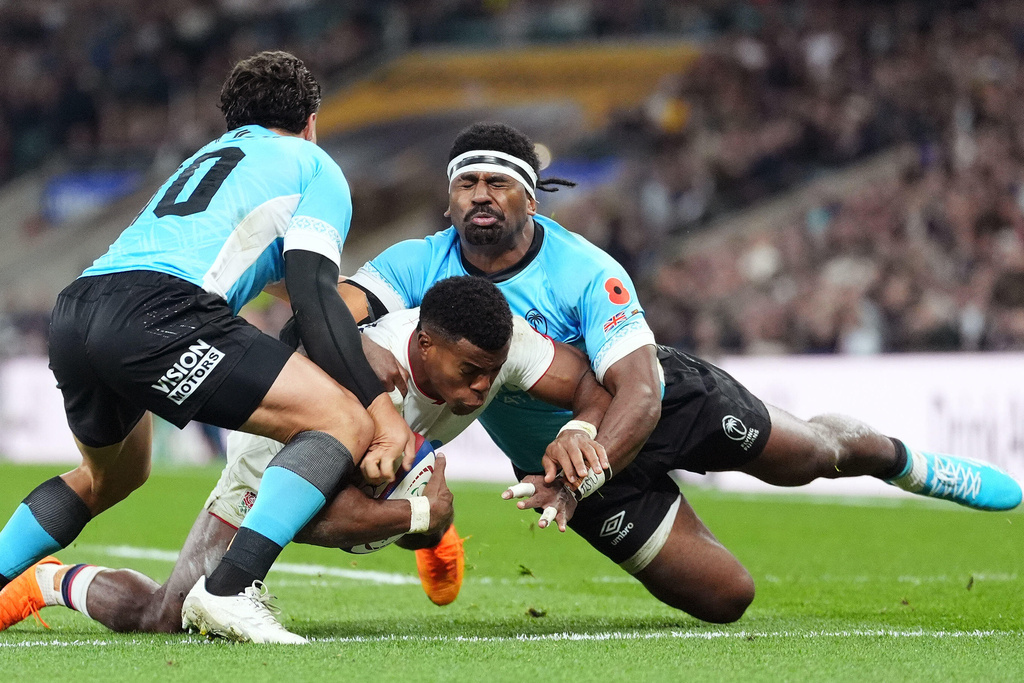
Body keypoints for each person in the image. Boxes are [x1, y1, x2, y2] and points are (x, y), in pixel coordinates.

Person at [338, 122, 1023, 623]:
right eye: (467, 182)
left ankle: (899, 459)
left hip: (658, 410)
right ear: (450, 196)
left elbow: (637, 386)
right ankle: (443, 527)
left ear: (531, 199)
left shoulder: (585, 270)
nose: (480, 196)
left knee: (816, 456)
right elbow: (336, 315)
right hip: (567, 471)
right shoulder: (416, 260)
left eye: (497, 183)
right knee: (728, 598)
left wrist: (590, 456)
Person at [0, 51, 415, 645]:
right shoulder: (313, 164)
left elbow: (262, 268)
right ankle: (230, 591)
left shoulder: (205, 159)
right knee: (341, 421)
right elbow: (313, 296)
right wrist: (380, 411)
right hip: (161, 313)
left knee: (110, 478)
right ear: (311, 120)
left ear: (234, 122)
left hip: (79, 308)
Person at [0, 276, 610, 634]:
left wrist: (580, 429)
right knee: (168, 617)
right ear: (422, 344)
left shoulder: (510, 345)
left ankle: (423, 508)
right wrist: (425, 517)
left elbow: (589, 385)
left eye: (493, 375)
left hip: (393, 457)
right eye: (471, 372)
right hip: (275, 456)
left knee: (407, 489)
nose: (483, 388)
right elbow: (319, 522)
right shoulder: (367, 370)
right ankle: (45, 580)